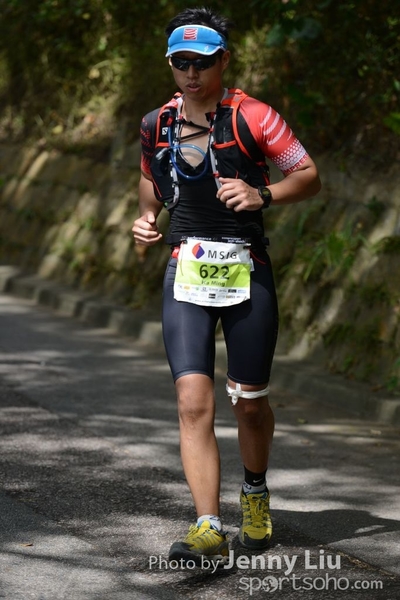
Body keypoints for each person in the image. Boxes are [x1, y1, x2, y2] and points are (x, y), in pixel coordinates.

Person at [132, 6, 321, 566]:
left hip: (246, 268)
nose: (192, 73)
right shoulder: (156, 124)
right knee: (193, 401)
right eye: (181, 63)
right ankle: (208, 526)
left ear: (224, 61)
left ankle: (255, 492)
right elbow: (149, 183)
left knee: (249, 403)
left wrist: (264, 195)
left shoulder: (255, 116)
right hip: (185, 270)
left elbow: (308, 175)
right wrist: (146, 220)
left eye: (203, 62)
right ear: (171, 64)